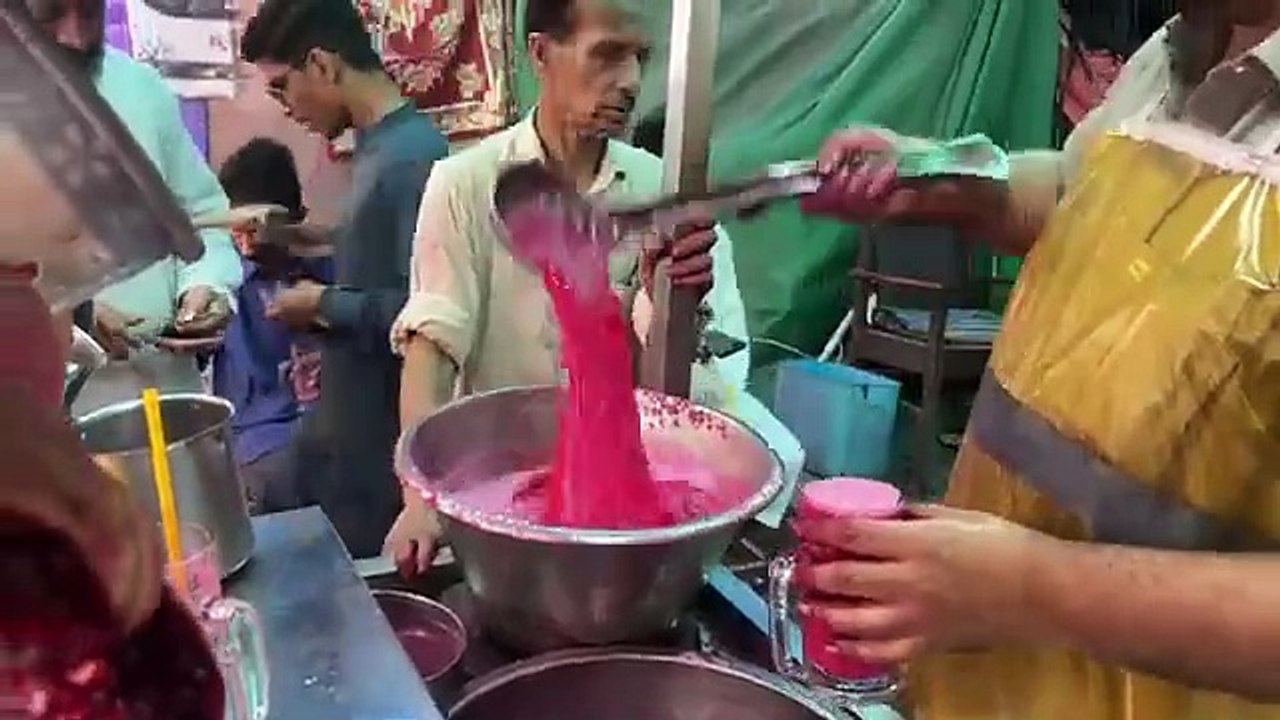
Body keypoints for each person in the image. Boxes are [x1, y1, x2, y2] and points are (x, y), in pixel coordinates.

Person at [797, 1, 1280, 717]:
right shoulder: (1179, 48)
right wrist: (940, 176)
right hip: (982, 683)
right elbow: (1077, 189)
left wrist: (1034, 590)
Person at [385, 0, 769, 574]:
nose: (633, 81)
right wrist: (420, 498)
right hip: (505, 499)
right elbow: (432, 345)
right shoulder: (464, 185)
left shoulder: (662, 196)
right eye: (608, 55)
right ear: (541, 53)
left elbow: (708, 391)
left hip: (625, 506)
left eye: (641, 58)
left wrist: (664, 302)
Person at [240, 0, 448, 557]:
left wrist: (324, 305)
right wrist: (294, 239)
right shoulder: (379, 149)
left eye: (283, 87)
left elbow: (429, 315)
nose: (285, 108)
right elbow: (377, 257)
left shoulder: (414, 160)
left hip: (382, 441)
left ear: (323, 65)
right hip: (348, 425)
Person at [25, 0, 242, 357]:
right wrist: (78, 317)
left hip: (158, 375)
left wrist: (206, 285)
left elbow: (203, 217)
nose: (76, 38)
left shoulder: (141, 89)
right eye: (50, 15)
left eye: (90, 15)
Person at [213, 138, 334, 515]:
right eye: (237, 233)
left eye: (257, 231)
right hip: (259, 445)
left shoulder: (335, 274)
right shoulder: (226, 286)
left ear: (295, 217)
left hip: (334, 439)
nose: (247, 248)